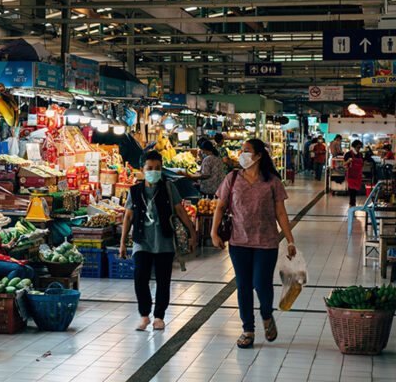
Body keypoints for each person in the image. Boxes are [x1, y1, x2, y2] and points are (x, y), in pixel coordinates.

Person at [211, 138, 297, 349]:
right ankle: (248, 329)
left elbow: (280, 212)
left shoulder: (272, 181)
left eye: (246, 151)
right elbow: (220, 206)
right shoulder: (232, 178)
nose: (242, 154)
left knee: (261, 283)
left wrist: (290, 240)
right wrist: (214, 232)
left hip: (266, 242)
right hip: (238, 242)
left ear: (258, 155)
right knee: (243, 285)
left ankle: (266, 315)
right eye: (242, 151)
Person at [119, 151, 196, 331]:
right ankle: (144, 315)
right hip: (141, 241)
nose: (154, 171)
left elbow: (180, 211)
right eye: (150, 168)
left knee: (163, 281)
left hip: (165, 242)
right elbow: (128, 216)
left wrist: (192, 232)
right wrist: (123, 242)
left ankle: (159, 316)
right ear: (142, 170)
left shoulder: (168, 188)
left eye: (157, 168)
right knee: (140, 278)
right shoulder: (135, 191)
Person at [344, 140, 364, 207]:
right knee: (352, 192)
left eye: (360, 147)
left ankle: (353, 205)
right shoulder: (348, 154)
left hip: (358, 176)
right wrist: (349, 161)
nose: (359, 149)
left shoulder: (360, 154)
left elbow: (362, 164)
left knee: (355, 192)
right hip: (351, 175)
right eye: (358, 147)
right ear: (354, 146)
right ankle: (351, 206)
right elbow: (344, 164)